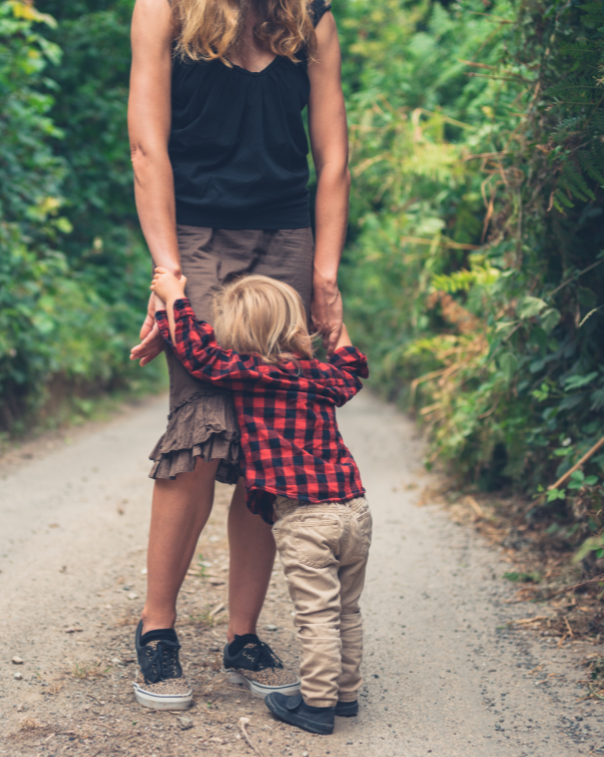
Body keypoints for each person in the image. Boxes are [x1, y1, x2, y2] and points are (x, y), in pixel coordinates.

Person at [127, 0, 351, 710]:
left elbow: (334, 152)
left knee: (273, 435)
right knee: (199, 429)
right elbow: (146, 145)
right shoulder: (161, 8)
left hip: (285, 237)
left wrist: (324, 274)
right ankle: (157, 631)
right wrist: (166, 270)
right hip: (196, 236)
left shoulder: (309, 14)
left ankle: (242, 637)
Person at [150, 268, 371, 735]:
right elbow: (354, 370)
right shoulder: (320, 375)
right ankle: (346, 696)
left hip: (306, 518)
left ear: (238, 338)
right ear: (296, 329)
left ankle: (315, 705)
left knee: (316, 616)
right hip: (354, 510)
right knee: (346, 610)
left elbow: (198, 353)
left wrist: (174, 298)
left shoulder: (247, 372)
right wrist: (337, 329)